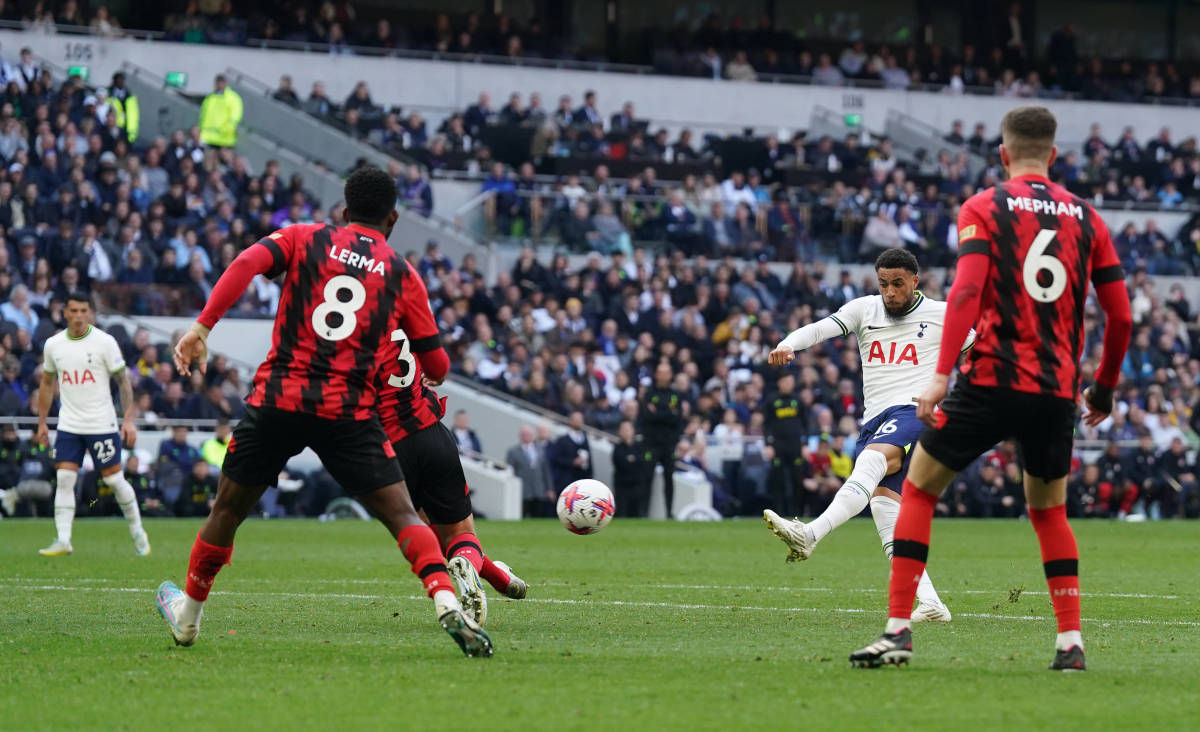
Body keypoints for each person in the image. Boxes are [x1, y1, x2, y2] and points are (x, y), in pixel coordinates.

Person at [156, 166, 491, 658]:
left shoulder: (304, 237)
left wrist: (202, 329)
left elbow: (247, 262)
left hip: (279, 398)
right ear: (393, 217)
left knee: (227, 510)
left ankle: (188, 618)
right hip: (346, 410)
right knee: (402, 515)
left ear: (343, 209)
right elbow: (437, 364)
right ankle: (445, 602)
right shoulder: (402, 274)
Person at [849, 106, 1132, 671]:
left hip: (990, 381)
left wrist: (939, 375)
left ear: (1003, 154)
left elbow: (966, 292)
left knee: (922, 489)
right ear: (1054, 156)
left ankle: (899, 631)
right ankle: (1070, 643)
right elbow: (1121, 318)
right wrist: (1102, 389)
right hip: (1055, 390)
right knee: (1049, 512)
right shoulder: (1087, 217)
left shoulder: (984, 206)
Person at [764, 248, 964, 622]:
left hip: (914, 411)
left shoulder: (941, 314)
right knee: (885, 508)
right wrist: (789, 342)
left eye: (898, 284)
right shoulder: (865, 309)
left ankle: (810, 534)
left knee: (872, 460)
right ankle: (932, 603)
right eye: (884, 284)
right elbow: (822, 328)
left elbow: (979, 347)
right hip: (875, 417)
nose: (889, 292)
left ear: (915, 282)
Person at [375, 327, 529, 625]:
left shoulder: (350, 325)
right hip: (430, 432)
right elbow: (438, 365)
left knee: (422, 531)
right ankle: (498, 577)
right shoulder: (397, 304)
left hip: (389, 447)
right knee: (459, 535)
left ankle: (462, 586)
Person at [35, 293, 149, 557]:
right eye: (73, 310)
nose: (78, 316)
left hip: (101, 423)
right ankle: (64, 539)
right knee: (64, 477)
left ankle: (138, 532)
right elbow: (47, 384)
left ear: (90, 313)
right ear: (65, 313)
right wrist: (42, 422)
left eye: (83, 310)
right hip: (69, 423)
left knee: (114, 480)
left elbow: (123, 381)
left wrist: (128, 419)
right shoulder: (53, 345)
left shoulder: (104, 342)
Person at [637, 361, 685, 517]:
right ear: (656, 374)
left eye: (667, 372)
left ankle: (669, 512)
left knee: (669, 478)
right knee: (646, 477)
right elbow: (647, 416)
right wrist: (667, 413)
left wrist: (659, 414)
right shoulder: (649, 394)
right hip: (651, 443)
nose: (663, 376)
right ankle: (643, 512)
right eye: (660, 372)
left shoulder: (675, 395)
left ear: (671, 375)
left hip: (669, 444)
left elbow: (677, 418)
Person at [507, 424, 554, 517]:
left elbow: (545, 471)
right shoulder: (513, 451)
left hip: (538, 490)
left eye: (528, 434)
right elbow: (510, 471)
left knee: (538, 516)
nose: (526, 437)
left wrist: (549, 488)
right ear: (520, 436)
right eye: (524, 434)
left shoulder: (540, 450)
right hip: (523, 491)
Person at [612, 419, 653, 517]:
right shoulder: (617, 449)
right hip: (622, 488)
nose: (626, 432)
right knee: (622, 514)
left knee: (637, 514)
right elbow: (622, 464)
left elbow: (644, 463)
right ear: (619, 432)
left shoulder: (640, 447)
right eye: (623, 429)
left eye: (628, 429)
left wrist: (633, 460)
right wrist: (633, 461)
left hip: (638, 487)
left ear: (633, 430)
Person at [198, 74, 243, 149]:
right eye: (217, 82)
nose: (219, 84)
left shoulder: (233, 98)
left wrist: (224, 130)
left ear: (225, 83)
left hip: (224, 139)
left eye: (221, 82)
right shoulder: (210, 97)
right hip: (207, 137)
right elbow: (203, 116)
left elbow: (234, 117)